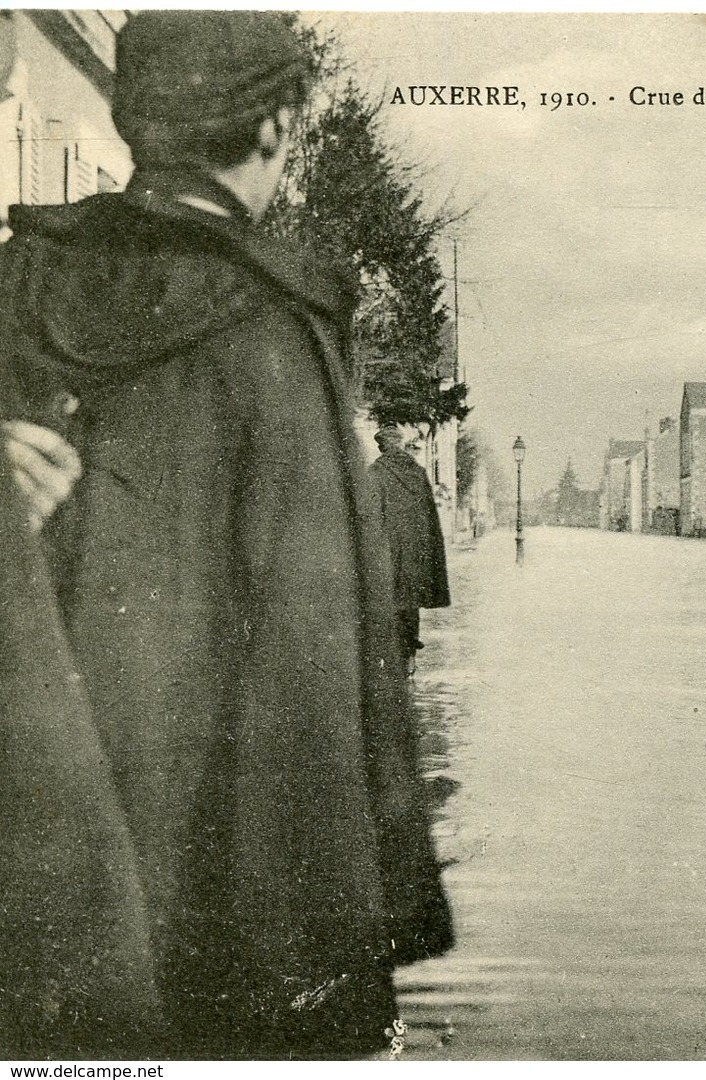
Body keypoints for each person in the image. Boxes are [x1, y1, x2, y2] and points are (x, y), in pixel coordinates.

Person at [0, 12, 452, 1058]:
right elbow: (308, 677)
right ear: (276, 125)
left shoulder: (17, 280)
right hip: (210, 859)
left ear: (130, 117)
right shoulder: (271, 332)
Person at [368, 428, 451, 663]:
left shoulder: (374, 473)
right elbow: (429, 516)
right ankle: (410, 656)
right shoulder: (418, 472)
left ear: (382, 447)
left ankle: (390, 657)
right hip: (415, 552)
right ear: (401, 444)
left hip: (387, 550)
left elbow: (370, 515)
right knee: (410, 602)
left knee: (387, 602)